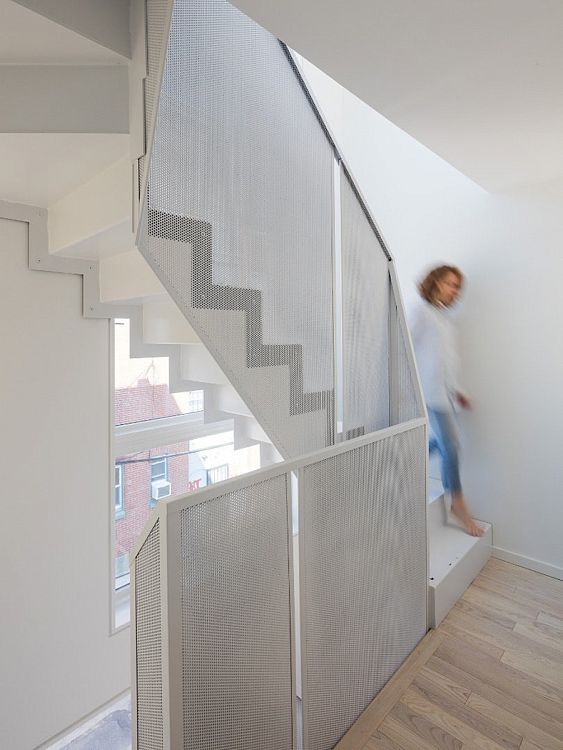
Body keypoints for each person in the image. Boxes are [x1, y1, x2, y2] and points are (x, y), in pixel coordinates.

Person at [409, 265, 484, 537]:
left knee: (444, 443)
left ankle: (407, 459)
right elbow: (404, 347)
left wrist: (458, 390)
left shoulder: (445, 320)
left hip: (445, 393)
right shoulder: (420, 312)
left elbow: (447, 363)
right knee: (451, 446)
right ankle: (458, 503)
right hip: (428, 392)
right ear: (435, 282)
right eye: (450, 283)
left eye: (457, 287)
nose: (455, 291)